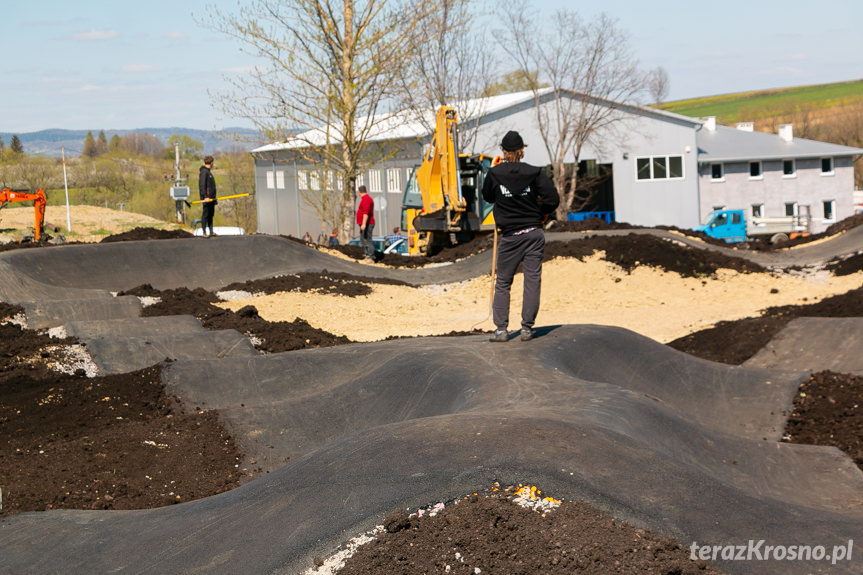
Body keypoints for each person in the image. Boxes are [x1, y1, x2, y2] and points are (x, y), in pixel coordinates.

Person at [481, 130, 559, 342]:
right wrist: (541, 211)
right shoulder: (535, 173)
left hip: (510, 237)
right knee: (532, 280)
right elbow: (553, 199)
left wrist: (497, 176)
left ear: (503, 151)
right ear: (521, 150)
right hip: (533, 233)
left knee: (504, 282)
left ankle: (501, 330)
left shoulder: (495, 174)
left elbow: (487, 195)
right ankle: (526, 328)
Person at [198, 155, 217, 237]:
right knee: (205, 215)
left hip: (212, 198)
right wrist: (205, 196)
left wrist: (214, 198)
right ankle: (204, 232)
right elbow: (202, 185)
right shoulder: (204, 172)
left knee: (211, 215)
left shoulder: (209, 172)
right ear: (212, 163)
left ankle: (211, 231)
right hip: (207, 198)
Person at [355, 185, 375, 262]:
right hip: (365, 223)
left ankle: (370, 257)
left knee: (367, 240)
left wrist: (364, 224)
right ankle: (367, 255)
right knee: (363, 239)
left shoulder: (366, 199)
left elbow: (366, 212)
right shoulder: (365, 199)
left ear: (359, 192)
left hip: (367, 223)